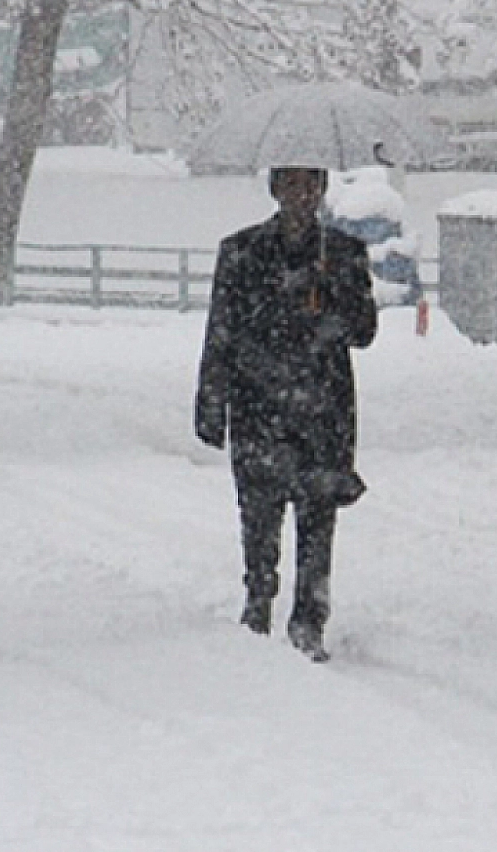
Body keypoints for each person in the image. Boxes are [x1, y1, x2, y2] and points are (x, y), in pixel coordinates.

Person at [194, 165, 379, 662]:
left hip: (322, 408)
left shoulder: (342, 253)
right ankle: (258, 602)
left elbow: (364, 331)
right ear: (275, 190)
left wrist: (332, 297)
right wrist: (211, 403)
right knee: (259, 513)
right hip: (258, 402)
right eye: (292, 185)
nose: (303, 196)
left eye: (312, 185)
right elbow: (221, 331)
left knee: (318, 516)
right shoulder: (241, 251)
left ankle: (309, 618)